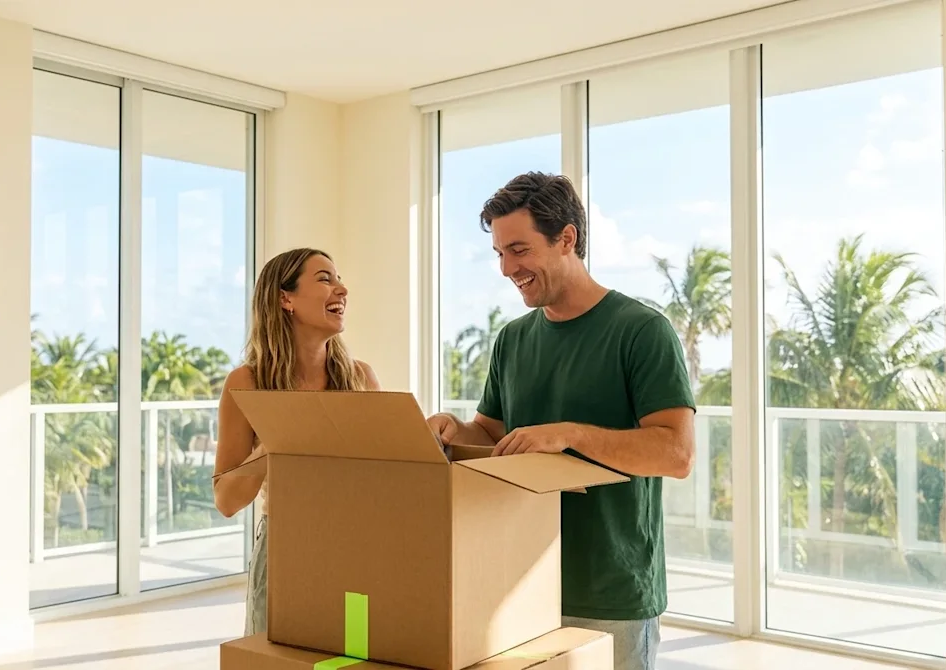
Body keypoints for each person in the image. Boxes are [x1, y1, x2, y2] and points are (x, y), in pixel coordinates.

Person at [426, 172, 695, 670]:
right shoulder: (512, 339)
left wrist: (568, 435)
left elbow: (675, 455)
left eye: (519, 250)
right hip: (517, 580)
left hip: (611, 590)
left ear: (566, 238)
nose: (508, 268)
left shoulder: (642, 331)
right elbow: (490, 434)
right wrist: (451, 427)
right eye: (500, 254)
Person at [213, 247, 381, 637]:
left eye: (339, 278)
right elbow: (226, 500)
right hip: (284, 549)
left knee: (352, 657)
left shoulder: (362, 379)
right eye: (325, 279)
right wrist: (276, 441)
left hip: (355, 549)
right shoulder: (247, 383)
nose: (341, 289)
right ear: (285, 299)